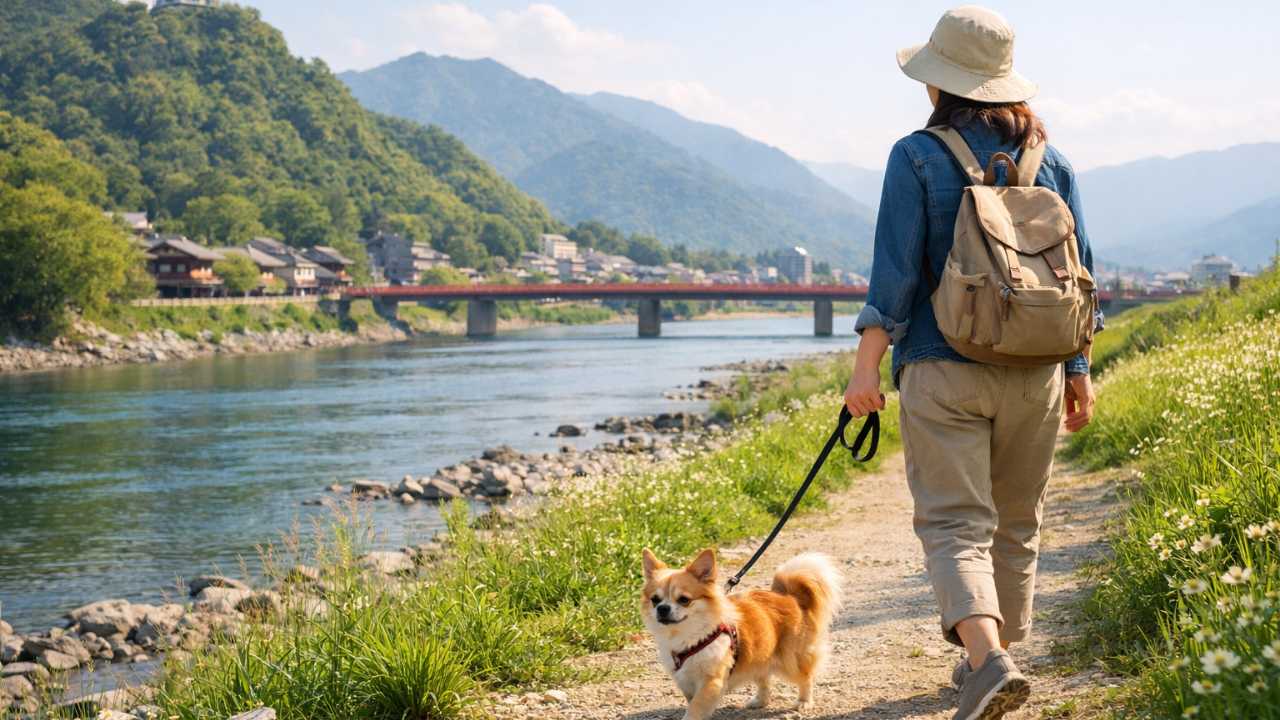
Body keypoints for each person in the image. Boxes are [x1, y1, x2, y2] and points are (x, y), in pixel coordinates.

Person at [843, 6, 1101, 719]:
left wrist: (865, 369)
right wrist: (1080, 371)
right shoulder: (1055, 161)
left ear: (939, 83)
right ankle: (992, 659)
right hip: (1039, 372)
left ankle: (987, 661)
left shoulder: (916, 156)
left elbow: (893, 278)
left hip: (942, 364)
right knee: (1017, 521)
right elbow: (1082, 276)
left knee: (957, 523)